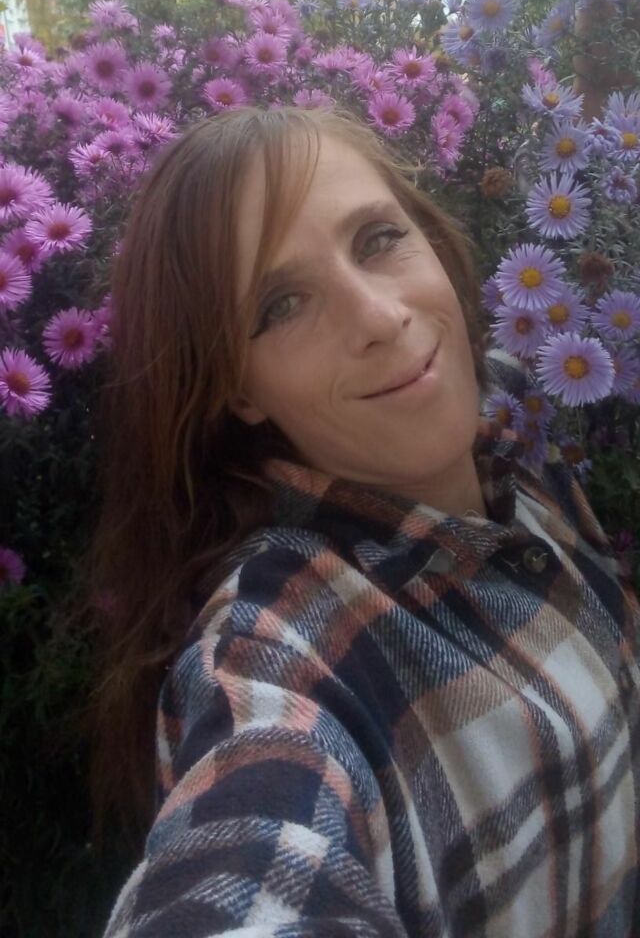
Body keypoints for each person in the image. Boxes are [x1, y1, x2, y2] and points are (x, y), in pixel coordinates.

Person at [92, 105, 640, 937]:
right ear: (237, 389)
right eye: (282, 304)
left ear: (431, 239)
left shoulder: (513, 425)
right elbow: (253, 857)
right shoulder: (281, 652)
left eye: (379, 239)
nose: (382, 319)